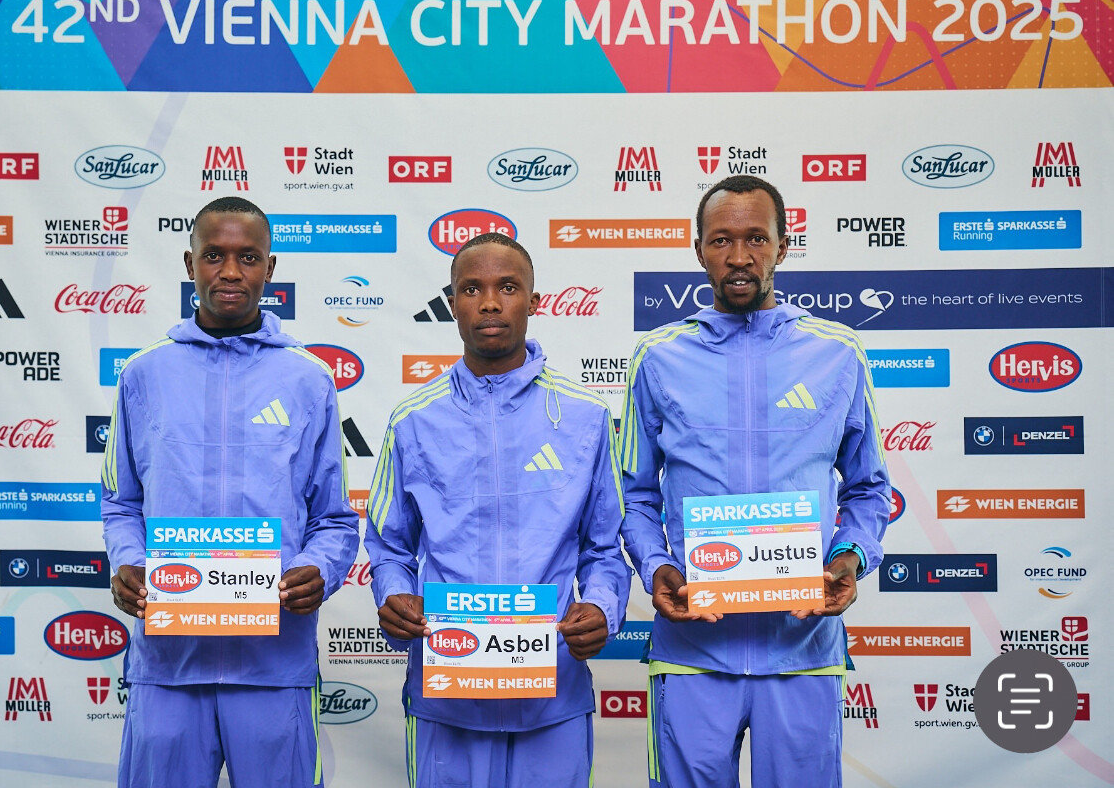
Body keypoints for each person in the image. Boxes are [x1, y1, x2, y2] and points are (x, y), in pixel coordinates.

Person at [619, 175, 890, 787]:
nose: (738, 257)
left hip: (802, 648)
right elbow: (633, 494)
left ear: (783, 246)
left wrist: (848, 559)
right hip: (692, 652)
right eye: (721, 240)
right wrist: (657, 566)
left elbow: (869, 488)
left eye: (756, 239)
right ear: (698, 250)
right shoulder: (658, 356)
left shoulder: (837, 353)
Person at [102, 196, 358, 788]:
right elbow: (122, 502)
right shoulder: (143, 374)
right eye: (214, 255)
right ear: (189, 263)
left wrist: (319, 570)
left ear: (270, 268)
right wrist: (129, 561)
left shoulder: (308, 378)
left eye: (248, 257)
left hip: (274, 665)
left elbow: (334, 518)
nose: (231, 272)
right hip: (168, 664)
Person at [365, 232, 630, 788]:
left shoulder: (584, 415)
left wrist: (603, 607)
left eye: (507, 288)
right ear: (452, 303)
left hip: (553, 694)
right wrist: (393, 596)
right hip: (447, 697)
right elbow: (389, 546)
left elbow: (605, 549)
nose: (490, 303)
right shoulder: (413, 419)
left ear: (534, 300)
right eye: (472, 289)